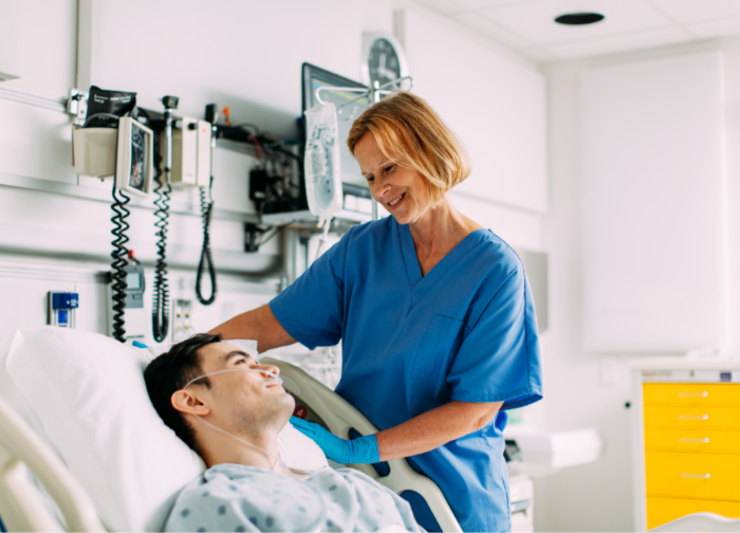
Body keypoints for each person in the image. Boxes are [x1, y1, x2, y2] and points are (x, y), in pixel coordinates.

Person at [210, 91, 544, 533]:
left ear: (430, 153)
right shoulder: (361, 251)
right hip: (369, 493)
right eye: (369, 177)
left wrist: (359, 449)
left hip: (455, 496)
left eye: (389, 168)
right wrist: (182, 355)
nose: (380, 190)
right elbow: (267, 324)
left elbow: (476, 411)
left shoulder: (495, 270)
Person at [144, 333, 424, 533]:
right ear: (193, 401)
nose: (271, 369)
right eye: (240, 363)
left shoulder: (354, 485)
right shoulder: (218, 504)